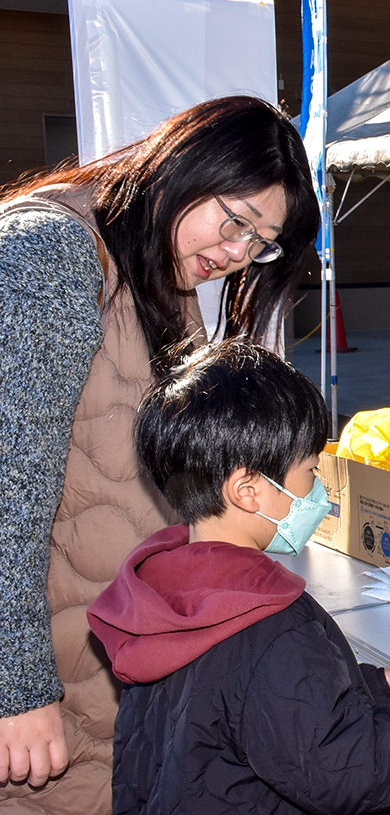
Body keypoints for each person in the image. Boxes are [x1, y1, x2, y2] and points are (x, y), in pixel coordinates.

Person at [0, 96, 320, 813]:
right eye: (235, 221)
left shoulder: (165, 274)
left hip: (112, 674)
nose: (236, 254)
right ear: (182, 167)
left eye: (260, 244)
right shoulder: (47, 253)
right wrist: (13, 690)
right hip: (45, 698)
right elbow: (4, 487)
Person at [86, 339, 390, 814]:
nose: (320, 491)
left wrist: (367, 690)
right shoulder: (270, 624)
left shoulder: (161, 592)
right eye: (310, 472)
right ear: (249, 490)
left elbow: (240, 711)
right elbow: (353, 773)